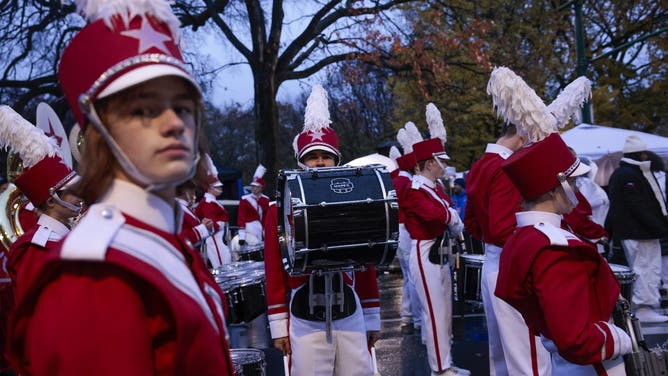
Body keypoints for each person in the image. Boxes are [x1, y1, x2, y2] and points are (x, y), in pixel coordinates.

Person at [7, 1, 235, 374]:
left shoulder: (166, 237)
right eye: (145, 110)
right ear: (100, 134)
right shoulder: (92, 277)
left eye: (184, 107)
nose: (175, 123)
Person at [490, 66, 632, 375]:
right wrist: (620, 339)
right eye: (574, 182)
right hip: (591, 364)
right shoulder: (553, 247)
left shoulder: (527, 237)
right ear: (556, 187)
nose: (580, 190)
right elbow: (575, 338)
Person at [264, 84, 380, 375]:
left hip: (350, 310)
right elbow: (273, 267)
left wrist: (371, 315)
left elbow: (366, 260)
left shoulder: (357, 200)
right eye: (312, 156)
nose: (319, 161)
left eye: (325, 156)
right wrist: (278, 324)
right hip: (304, 315)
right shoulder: (278, 207)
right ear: (301, 162)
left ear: (336, 160)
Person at [464, 123, 551, 376]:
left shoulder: (481, 164)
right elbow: (504, 228)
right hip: (512, 266)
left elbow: (472, 222)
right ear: (522, 133)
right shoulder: (506, 167)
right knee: (530, 356)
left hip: (493, 262)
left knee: (503, 354)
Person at [404, 103, 469, 376]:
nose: (444, 167)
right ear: (429, 163)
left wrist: (449, 215)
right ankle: (440, 368)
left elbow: (446, 211)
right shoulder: (416, 187)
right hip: (425, 250)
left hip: (438, 250)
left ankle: (446, 362)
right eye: (441, 162)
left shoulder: (432, 187)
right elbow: (435, 215)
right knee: (434, 312)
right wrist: (451, 216)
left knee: (444, 313)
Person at [606, 135, 668, 323]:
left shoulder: (626, 173)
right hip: (638, 232)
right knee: (644, 269)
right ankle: (643, 307)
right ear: (640, 154)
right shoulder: (629, 175)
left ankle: (645, 305)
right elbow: (637, 206)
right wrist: (660, 227)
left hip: (640, 232)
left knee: (648, 268)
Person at [392, 122, 424, 336]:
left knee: (407, 275)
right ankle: (419, 319)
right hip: (406, 230)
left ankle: (408, 315)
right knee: (414, 276)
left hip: (398, 230)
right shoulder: (407, 182)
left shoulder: (394, 180)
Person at [194, 154, 231, 268]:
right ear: (210, 188)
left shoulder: (211, 201)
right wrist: (221, 222)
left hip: (219, 237)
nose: (220, 189)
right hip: (214, 238)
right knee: (222, 265)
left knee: (226, 261)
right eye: (218, 187)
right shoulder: (208, 203)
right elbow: (211, 225)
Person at [237, 164, 270, 247]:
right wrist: (242, 236)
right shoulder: (244, 199)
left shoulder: (266, 199)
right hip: (249, 229)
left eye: (256, 187)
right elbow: (241, 217)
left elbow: (267, 217)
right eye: (253, 186)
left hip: (261, 230)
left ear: (261, 188)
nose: (254, 188)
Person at [176, 179, 213, 250]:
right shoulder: (177, 209)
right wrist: (204, 227)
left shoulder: (184, 207)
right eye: (192, 190)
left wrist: (205, 225)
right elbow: (182, 238)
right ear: (183, 191)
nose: (194, 193)